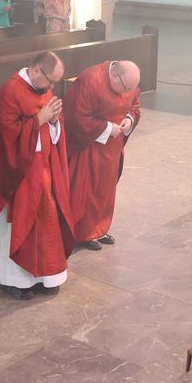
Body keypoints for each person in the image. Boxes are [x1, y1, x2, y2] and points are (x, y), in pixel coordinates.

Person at [0, 51, 75, 300]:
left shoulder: (43, 88)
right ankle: (14, 280)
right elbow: (5, 137)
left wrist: (53, 122)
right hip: (14, 175)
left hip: (42, 169)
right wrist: (39, 121)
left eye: (56, 82)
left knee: (47, 219)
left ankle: (44, 274)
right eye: (50, 81)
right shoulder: (10, 91)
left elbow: (51, 126)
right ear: (35, 70)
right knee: (19, 223)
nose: (52, 87)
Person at [64, 61, 141, 250]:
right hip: (89, 146)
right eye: (124, 88)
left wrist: (129, 120)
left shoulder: (127, 82)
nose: (125, 93)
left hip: (112, 147)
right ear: (115, 75)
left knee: (105, 190)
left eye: (130, 88)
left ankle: (100, 229)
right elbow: (76, 116)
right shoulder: (90, 81)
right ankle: (82, 233)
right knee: (87, 189)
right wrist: (107, 128)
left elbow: (135, 105)